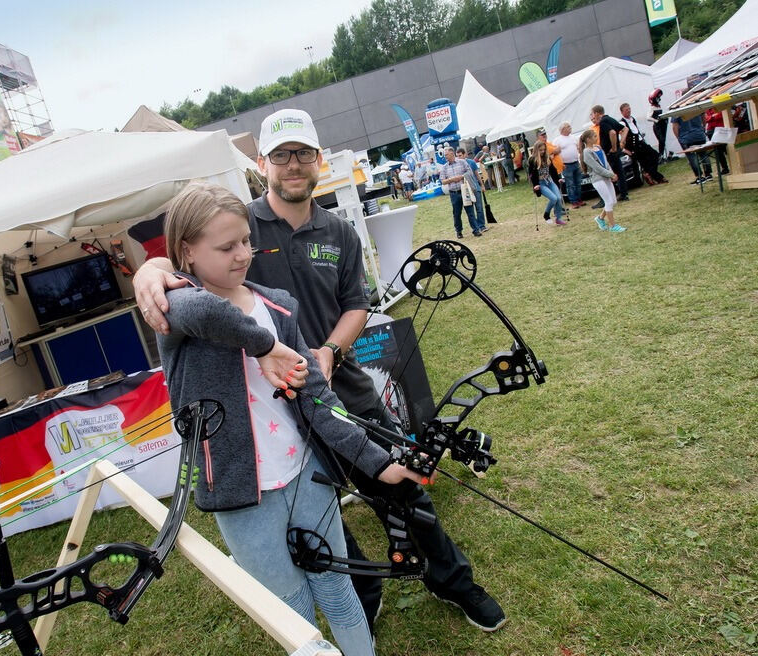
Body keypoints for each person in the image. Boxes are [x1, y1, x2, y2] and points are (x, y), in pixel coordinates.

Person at [135, 108, 508, 635]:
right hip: (273, 404)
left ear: (318, 160)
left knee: (400, 483)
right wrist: (150, 271)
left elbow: (357, 303)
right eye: (282, 155)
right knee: (316, 504)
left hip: (340, 385)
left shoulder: (337, 231)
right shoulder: (236, 226)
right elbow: (180, 273)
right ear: (262, 162)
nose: (293, 165)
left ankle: (451, 579)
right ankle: (363, 591)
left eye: (303, 154)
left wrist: (329, 351)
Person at [157, 182, 424, 656]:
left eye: (245, 241)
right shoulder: (173, 308)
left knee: (337, 588)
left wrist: (379, 462)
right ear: (187, 252)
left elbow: (319, 399)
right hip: (241, 493)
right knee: (292, 609)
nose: (242, 255)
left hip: (306, 474)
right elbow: (204, 311)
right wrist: (264, 346)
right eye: (225, 247)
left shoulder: (277, 305)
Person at [580, 129, 626, 232]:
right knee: (608, 201)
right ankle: (613, 226)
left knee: (613, 201)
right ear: (588, 139)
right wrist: (610, 174)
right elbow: (597, 168)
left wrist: (611, 173)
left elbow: (605, 162)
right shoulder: (587, 152)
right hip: (598, 179)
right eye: (594, 136)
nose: (597, 138)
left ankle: (600, 218)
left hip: (606, 177)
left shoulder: (598, 147)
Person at [619, 103, 668, 185]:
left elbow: (636, 131)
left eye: (629, 109)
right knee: (646, 161)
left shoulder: (633, 119)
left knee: (655, 156)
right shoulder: (622, 123)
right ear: (622, 112)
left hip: (641, 142)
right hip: (634, 146)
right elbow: (620, 138)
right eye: (626, 110)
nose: (629, 111)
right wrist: (624, 150)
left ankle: (648, 174)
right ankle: (658, 178)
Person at [440, 146, 483, 238]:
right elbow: (443, 181)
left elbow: (470, 173)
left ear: (452, 153)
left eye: (446, 154)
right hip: (454, 193)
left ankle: (476, 230)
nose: (445, 157)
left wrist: (461, 177)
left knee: (470, 211)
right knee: (456, 214)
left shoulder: (462, 162)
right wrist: (451, 179)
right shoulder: (444, 167)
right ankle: (459, 232)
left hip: (464, 190)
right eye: (445, 155)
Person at [590, 105, 629, 202]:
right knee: (619, 172)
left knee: (604, 174)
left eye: (593, 114)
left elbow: (612, 133)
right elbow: (625, 129)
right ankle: (624, 194)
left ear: (597, 113)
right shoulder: (610, 119)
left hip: (609, 153)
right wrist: (622, 142)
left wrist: (614, 147)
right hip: (614, 153)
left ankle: (605, 200)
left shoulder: (603, 122)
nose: (593, 116)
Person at [528, 140, 566, 226]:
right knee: (553, 198)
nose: (543, 151)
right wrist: (535, 185)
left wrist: (558, 179)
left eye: (544, 150)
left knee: (559, 198)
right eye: (540, 150)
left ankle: (558, 218)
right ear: (536, 150)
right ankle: (546, 214)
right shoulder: (532, 160)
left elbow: (553, 170)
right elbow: (531, 174)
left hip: (550, 181)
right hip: (541, 183)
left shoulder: (547, 157)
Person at [671, 113, 713, 185]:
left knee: (692, 157)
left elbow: (675, 127)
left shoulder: (676, 112)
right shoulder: (695, 107)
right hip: (699, 135)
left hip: (686, 137)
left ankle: (700, 177)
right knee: (703, 154)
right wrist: (702, 129)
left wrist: (679, 138)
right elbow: (704, 118)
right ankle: (708, 174)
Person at [552, 122, 585, 208]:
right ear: (563, 129)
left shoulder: (573, 138)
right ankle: (573, 201)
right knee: (570, 184)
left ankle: (579, 199)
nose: (570, 128)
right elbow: (554, 152)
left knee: (578, 182)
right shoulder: (557, 140)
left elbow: (578, 148)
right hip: (566, 165)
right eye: (568, 127)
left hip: (575, 162)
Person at [455, 147, 488, 231]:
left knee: (479, 208)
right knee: (470, 210)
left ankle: (482, 225)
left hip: (475, 187)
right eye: (457, 156)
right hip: (465, 189)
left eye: (460, 155)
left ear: (464, 154)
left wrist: (482, 185)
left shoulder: (471, 162)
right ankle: (476, 227)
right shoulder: (457, 165)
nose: (459, 158)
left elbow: (477, 175)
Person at [703, 108, 730, 175]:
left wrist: (710, 118)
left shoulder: (718, 106)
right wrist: (713, 116)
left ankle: (734, 166)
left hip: (721, 129)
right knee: (718, 152)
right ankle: (725, 168)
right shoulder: (707, 109)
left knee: (727, 149)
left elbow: (721, 115)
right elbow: (706, 119)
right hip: (711, 131)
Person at [647, 88, 669, 161]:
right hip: (657, 127)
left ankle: (662, 156)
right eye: (657, 97)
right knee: (661, 140)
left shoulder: (659, 106)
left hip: (663, 125)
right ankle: (660, 156)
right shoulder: (652, 108)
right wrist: (656, 120)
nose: (659, 99)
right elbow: (648, 117)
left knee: (663, 140)